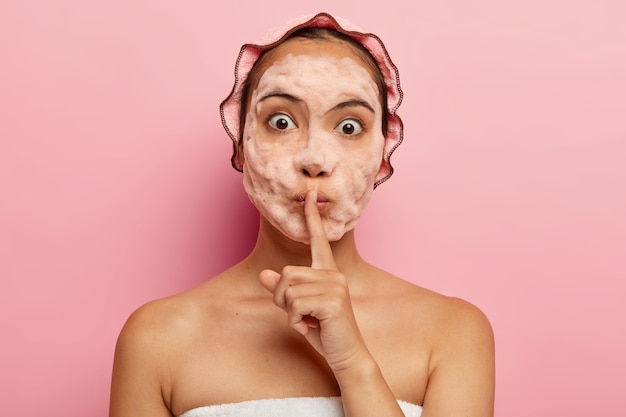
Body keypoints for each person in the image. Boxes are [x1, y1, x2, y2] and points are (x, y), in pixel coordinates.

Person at [109, 12, 495, 417]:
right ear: (241, 146)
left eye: (349, 127)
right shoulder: (157, 339)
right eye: (281, 121)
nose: (314, 160)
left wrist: (352, 362)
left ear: (382, 155)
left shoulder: (453, 333)